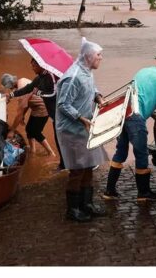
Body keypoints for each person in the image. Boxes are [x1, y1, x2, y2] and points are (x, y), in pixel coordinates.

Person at [102, 53, 156, 202]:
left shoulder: (142, 72)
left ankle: (109, 191)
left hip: (124, 114)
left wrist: (152, 114)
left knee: (121, 152)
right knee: (142, 153)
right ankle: (143, 193)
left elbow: (138, 97)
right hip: (136, 118)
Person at [56, 37, 109, 222]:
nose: (101, 58)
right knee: (77, 169)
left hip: (84, 125)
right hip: (72, 129)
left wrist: (99, 98)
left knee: (88, 166)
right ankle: (72, 209)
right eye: (98, 55)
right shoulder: (73, 76)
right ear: (88, 57)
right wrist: (81, 118)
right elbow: (63, 104)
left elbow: (91, 88)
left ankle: (86, 204)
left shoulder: (87, 71)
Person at [7, 58, 65, 170]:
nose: (32, 68)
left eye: (34, 66)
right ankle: (62, 164)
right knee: (55, 139)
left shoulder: (50, 76)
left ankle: (60, 161)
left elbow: (53, 94)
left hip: (56, 112)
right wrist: (12, 95)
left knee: (58, 139)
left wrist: (38, 92)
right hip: (51, 113)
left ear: (41, 65)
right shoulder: (40, 78)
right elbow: (28, 89)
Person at [1, 73, 56, 156]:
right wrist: (23, 115)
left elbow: (20, 112)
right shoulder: (22, 80)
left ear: (10, 85)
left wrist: (12, 130)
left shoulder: (21, 89)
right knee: (29, 129)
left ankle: (51, 153)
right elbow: (26, 102)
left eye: (9, 88)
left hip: (42, 109)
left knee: (35, 132)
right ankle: (33, 150)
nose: (9, 90)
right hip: (39, 107)